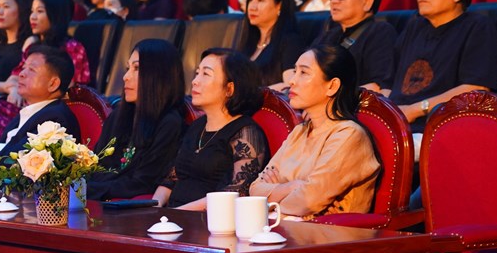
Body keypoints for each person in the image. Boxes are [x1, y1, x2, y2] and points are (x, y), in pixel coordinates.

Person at [249, 45, 380, 219]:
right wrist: (291, 187)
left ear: (332, 86)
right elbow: (255, 189)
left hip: (328, 232)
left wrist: (271, 198)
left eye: (304, 72)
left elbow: (308, 200)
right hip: (285, 225)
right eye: (295, 71)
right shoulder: (299, 132)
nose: (292, 81)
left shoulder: (348, 135)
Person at [0, 0, 90, 156]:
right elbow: (14, 78)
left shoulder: (72, 47)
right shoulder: (32, 46)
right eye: (32, 11)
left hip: (51, 112)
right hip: (25, 106)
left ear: (55, 15)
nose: (32, 17)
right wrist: (15, 88)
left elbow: (71, 89)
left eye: (40, 11)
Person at [390, 0, 497, 128]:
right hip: (395, 123)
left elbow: (474, 89)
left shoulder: (477, 27)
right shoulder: (414, 26)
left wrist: (414, 110)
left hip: (439, 125)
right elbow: (388, 82)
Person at [153, 49, 268, 210]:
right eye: (197, 73)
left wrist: (177, 213)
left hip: (207, 219)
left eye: (206, 74)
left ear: (229, 89)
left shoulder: (246, 133)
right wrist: (154, 206)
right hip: (173, 216)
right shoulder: (197, 126)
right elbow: (171, 179)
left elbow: (236, 193)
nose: (195, 81)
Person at [0, 46, 82, 187]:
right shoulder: (30, 114)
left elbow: (7, 162)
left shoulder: (55, 120)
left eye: (32, 70)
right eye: (23, 68)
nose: (21, 74)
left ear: (53, 84)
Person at [88, 40, 187, 200]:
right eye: (128, 68)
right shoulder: (118, 115)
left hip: (128, 207)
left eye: (137, 68)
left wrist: (89, 190)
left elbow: (143, 183)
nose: (126, 77)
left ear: (159, 76)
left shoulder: (169, 123)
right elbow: (97, 166)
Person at [315, 0, 396, 93]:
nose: (334, 0)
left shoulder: (380, 32)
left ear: (367, 1)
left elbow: (379, 86)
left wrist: (329, 95)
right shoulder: (330, 34)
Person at [243, 0, 305, 90]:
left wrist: (254, 94)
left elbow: (289, 85)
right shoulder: (247, 40)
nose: (252, 7)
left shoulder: (290, 42)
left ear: (279, 6)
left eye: (260, 0)